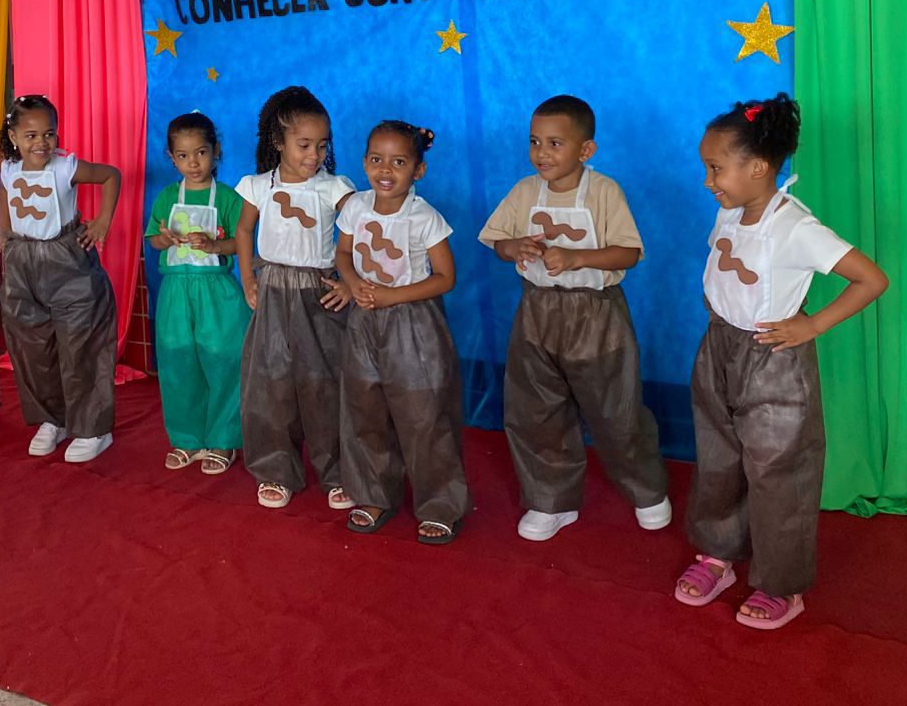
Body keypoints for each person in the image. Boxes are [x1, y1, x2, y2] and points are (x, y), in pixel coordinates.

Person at [674, 94, 887, 630]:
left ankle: (781, 584)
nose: (707, 181)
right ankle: (719, 554)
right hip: (719, 348)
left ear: (759, 167)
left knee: (779, 471)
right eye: (707, 168)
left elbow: (871, 279)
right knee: (719, 457)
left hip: (773, 360)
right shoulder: (729, 212)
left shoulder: (796, 227)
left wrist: (811, 325)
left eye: (716, 169)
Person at [479, 94, 671, 542]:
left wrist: (576, 257)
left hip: (595, 315)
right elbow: (497, 241)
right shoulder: (524, 192)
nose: (541, 153)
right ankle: (552, 500)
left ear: (586, 150)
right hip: (537, 312)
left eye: (555, 143)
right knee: (536, 409)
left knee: (615, 408)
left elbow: (628, 252)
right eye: (534, 142)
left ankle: (646, 489)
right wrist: (515, 247)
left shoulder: (604, 191)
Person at [334, 121, 471, 544]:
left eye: (399, 162)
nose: (385, 170)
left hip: (413, 322)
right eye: (377, 159)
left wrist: (393, 296)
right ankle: (374, 494)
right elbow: (343, 253)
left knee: (423, 413)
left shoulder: (424, 217)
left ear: (418, 170)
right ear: (364, 163)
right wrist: (352, 282)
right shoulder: (355, 207)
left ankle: (440, 504)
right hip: (364, 319)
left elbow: (445, 277)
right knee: (365, 407)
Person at [235, 85, 357, 511]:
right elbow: (244, 230)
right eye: (304, 145)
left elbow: (363, 226)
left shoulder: (334, 188)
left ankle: (339, 471)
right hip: (272, 290)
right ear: (277, 141)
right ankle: (275, 469)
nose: (314, 155)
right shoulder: (257, 186)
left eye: (322, 145)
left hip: (317, 292)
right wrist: (248, 278)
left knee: (325, 383)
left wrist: (349, 282)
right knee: (270, 382)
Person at [0, 94, 122, 463]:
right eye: (31, 135)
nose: (41, 143)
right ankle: (53, 418)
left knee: (79, 344)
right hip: (23, 262)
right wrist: (6, 234)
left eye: (49, 134)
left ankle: (93, 427)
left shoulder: (66, 167)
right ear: (14, 136)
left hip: (66, 261)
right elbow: (4, 199)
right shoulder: (7, 169)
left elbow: (110, 175)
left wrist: (102, 221)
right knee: (32, 346)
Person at [145, 112, 247, 475]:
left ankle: (224, 439)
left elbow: (241, 243)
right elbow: (153, 241)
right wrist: (165, 238)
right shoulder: (167, 197)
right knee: (178, 361)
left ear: (216, 151)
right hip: (175, 291)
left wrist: (216, 245)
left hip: (216, 292)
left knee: (224, 360)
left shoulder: (230, 198)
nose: (193, 163)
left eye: (201, 153)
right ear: (171, 158)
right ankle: (187, 439)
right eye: (183, 156)